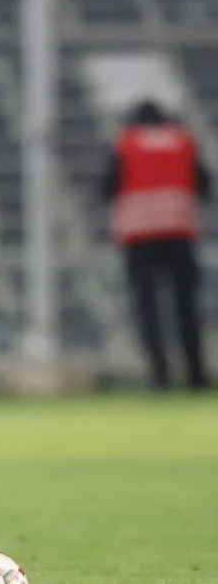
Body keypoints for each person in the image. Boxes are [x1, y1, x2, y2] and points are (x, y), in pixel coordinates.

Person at [102, 100, 210, 391]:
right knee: (186, 306)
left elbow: (108, 186)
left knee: (147, 306)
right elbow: (204, 184)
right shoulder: (182, 141)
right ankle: (196, 375)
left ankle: (161, 376)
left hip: (139, 235)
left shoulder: (126, 144)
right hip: (179, 230)